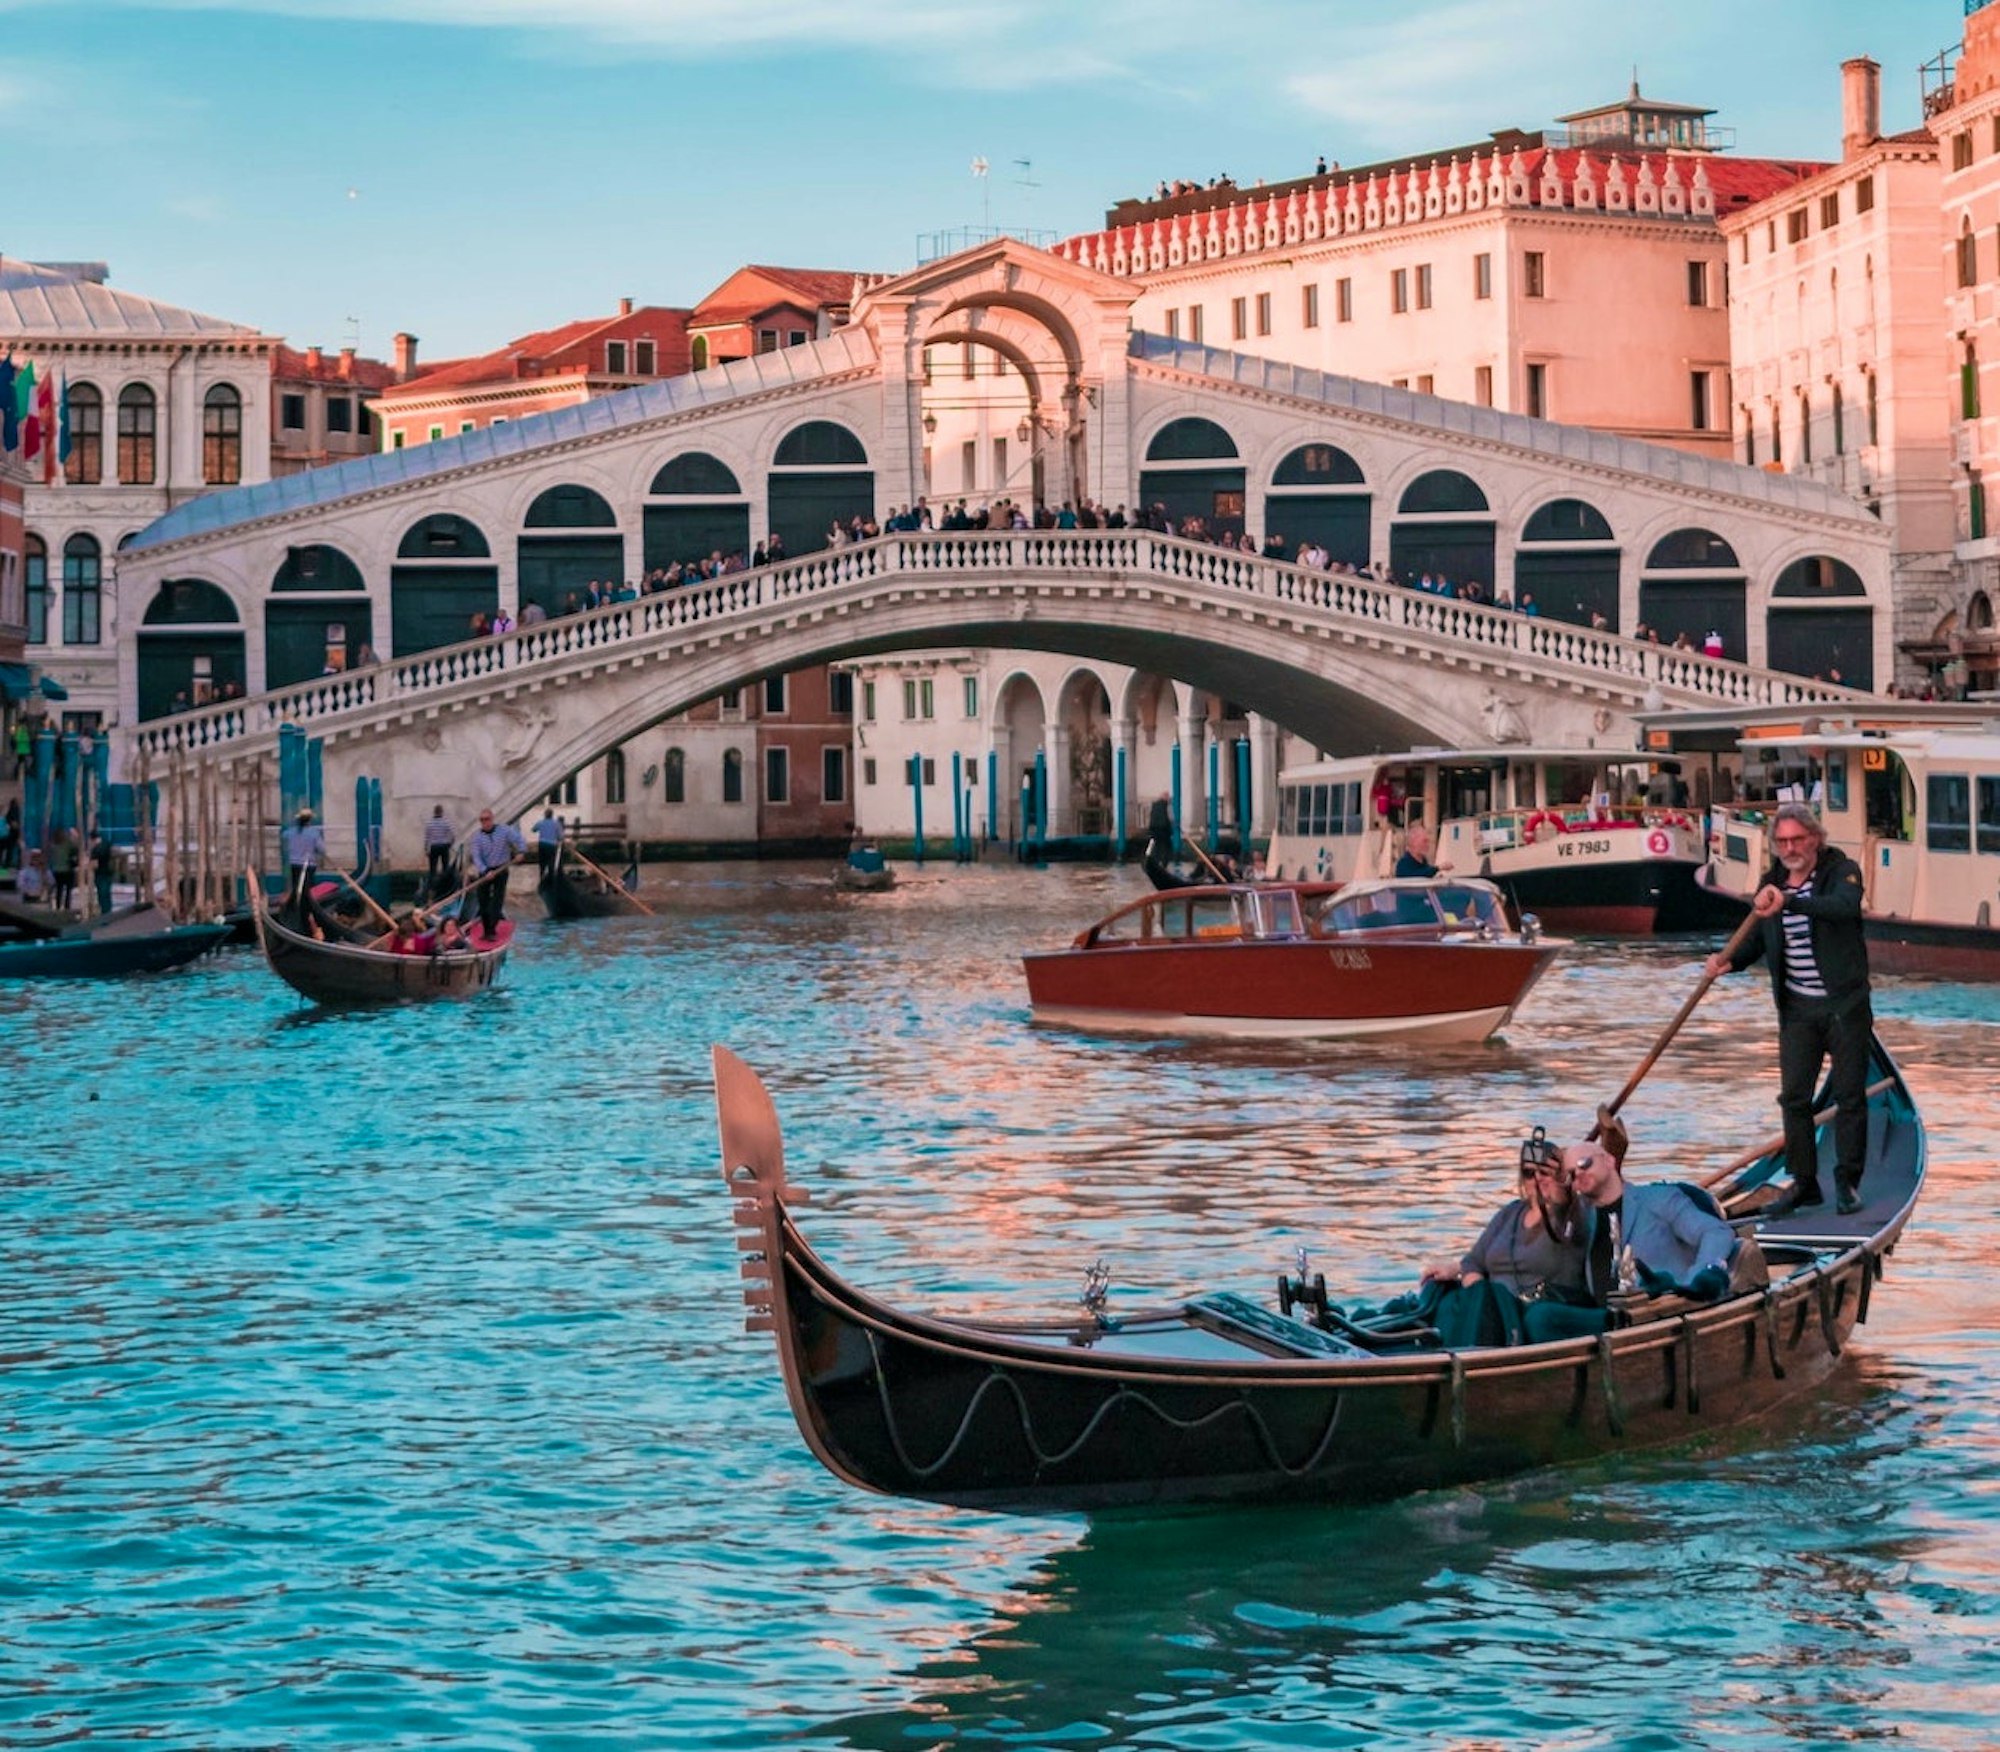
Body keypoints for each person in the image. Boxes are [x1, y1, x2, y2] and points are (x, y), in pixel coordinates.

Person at [1705, 802, 1871, 1216]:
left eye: (1797, 839)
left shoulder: (1842, 871)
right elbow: (1759, 936)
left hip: (1844, 1007)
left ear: (1814, 838)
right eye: (1782, 841)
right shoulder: (1771, 883)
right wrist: (1729, 960)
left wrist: (1790, 902)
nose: (1790, 847)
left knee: (1850, 1096)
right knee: (1794, 1098)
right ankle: (1804, 1182)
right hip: (1798, 1010)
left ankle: (1848, 1181)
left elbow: (1843, 908)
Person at [1564, 1132, 1743, 1305]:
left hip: (1666, 1313)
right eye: (1571, 1174)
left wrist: (1695, 1281)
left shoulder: (1659, 1199)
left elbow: (1716, 1232)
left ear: (1609, 1160)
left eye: (1585, 1163)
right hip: (1607, 1322)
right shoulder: (1579, 1220)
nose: (1579, 1174)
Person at [467, 807, 526, 937]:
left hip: (502, 869)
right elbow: (476, 857)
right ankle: (486, 929)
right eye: (482, 820)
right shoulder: (476, 837)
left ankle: (492, 930)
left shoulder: (504, 830)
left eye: (487, 819)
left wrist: (521, 851)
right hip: (485, 870)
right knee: (483, 901)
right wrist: (485, 870)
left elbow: (519, 839)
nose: (484, 822)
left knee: (497, 901)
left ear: (492, 819)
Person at [282, 808, 327, 921]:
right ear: (310, 820)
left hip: (294, 864)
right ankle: (304, 913)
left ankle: (295, 910)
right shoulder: (314, 833)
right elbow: (322, 849)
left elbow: (284, 836)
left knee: (296, 886)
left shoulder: (291, 832)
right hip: (308, 865)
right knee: (306, 891)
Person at [422, 805, 455, 891]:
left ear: (434, 812)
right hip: (444, 846)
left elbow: (427, 837)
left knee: (433, 869)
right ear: (441, 812)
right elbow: (452, 835)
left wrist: (426, 849)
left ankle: (432, 888)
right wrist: (450, 844)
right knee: (445, 868)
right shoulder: (446, 822)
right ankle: (446, 887)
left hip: (434, 847)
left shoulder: (429, 823)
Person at [534, 806, 565, 881]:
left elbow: (534, 829)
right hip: (552, 845)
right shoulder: (556, 824)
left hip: (542, 844)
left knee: (542, 863)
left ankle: (542, 878)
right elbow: (561, 836)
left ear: (545, 814)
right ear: (552, 815)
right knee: (551, 863)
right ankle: (550, 880)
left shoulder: (541, 822)